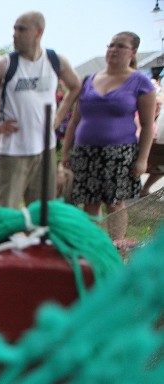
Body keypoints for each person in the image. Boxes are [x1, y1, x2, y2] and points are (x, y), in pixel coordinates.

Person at [0, 11, 81, 209]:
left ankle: (36, 241)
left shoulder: (55, 60)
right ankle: (8, 240)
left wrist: (59, 115)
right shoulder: (5, 65)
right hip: (14, 150)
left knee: (43, 211)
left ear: (38, 32)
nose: (15, 34)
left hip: (45, 149)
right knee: (8, 210)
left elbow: (75, 85)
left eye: (21, 29)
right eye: (14, 29)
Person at [60, 32, 155, 241]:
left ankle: (116, 248)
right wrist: (67, 151)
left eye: (120, 46)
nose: (113, 50)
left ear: (133, 52)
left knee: (115, 203)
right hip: (86, 151)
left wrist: (142, 159)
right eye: (110, 45)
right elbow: (75, 121)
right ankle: (90, 245)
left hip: (119, 153)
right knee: (89, 202)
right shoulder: (89, 80)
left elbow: (148, 125)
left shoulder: (141, 82)